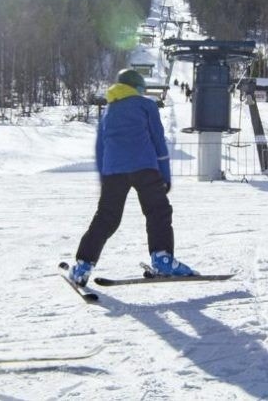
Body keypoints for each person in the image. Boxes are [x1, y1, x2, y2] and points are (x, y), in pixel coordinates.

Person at [68, 69, 195, 286]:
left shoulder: (109, 110)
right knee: (157, 211)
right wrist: (165, 175)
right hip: (145, 167)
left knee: (107, 217)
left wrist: (105, 178)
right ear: (137, 88)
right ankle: (163, 259)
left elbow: (100, 148)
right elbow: (158, 141)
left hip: (113, 171)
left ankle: (83, 265)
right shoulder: (146, 105)